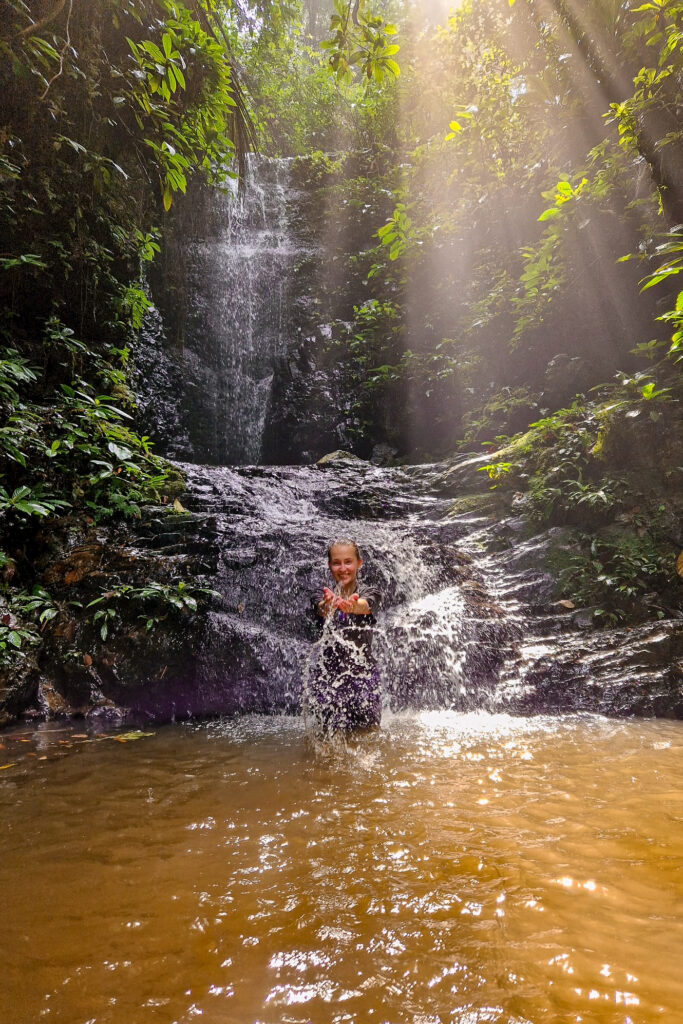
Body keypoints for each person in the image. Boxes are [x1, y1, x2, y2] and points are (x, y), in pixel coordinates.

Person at [307, 539, 382, 736]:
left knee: (369, 736)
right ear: (329, 565)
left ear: (359, 563)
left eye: (348, 562)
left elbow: (365, 605)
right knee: (326, 739)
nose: (343, 568)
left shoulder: (370, 592)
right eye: (336, 563)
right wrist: (329, 605)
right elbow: (322, 608)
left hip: (363, 677)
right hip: (328, 678)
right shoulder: (320, 593)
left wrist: (352, 606)